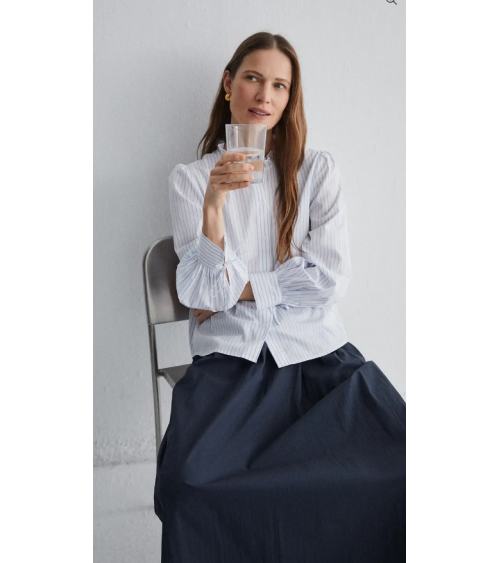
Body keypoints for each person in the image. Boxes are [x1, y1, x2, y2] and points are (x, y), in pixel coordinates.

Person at [154, 32, 406, 563]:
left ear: (290, 98)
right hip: (231, 361)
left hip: (318, 356)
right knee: (189, 487)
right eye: (252, 78)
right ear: (228, 84)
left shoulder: (317, 171)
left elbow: (328, 279)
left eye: (279, 85)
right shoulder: (191, 181)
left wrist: (240, 287)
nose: (264, 95)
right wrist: (214, 207)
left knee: (401, 468)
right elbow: (200, 292)